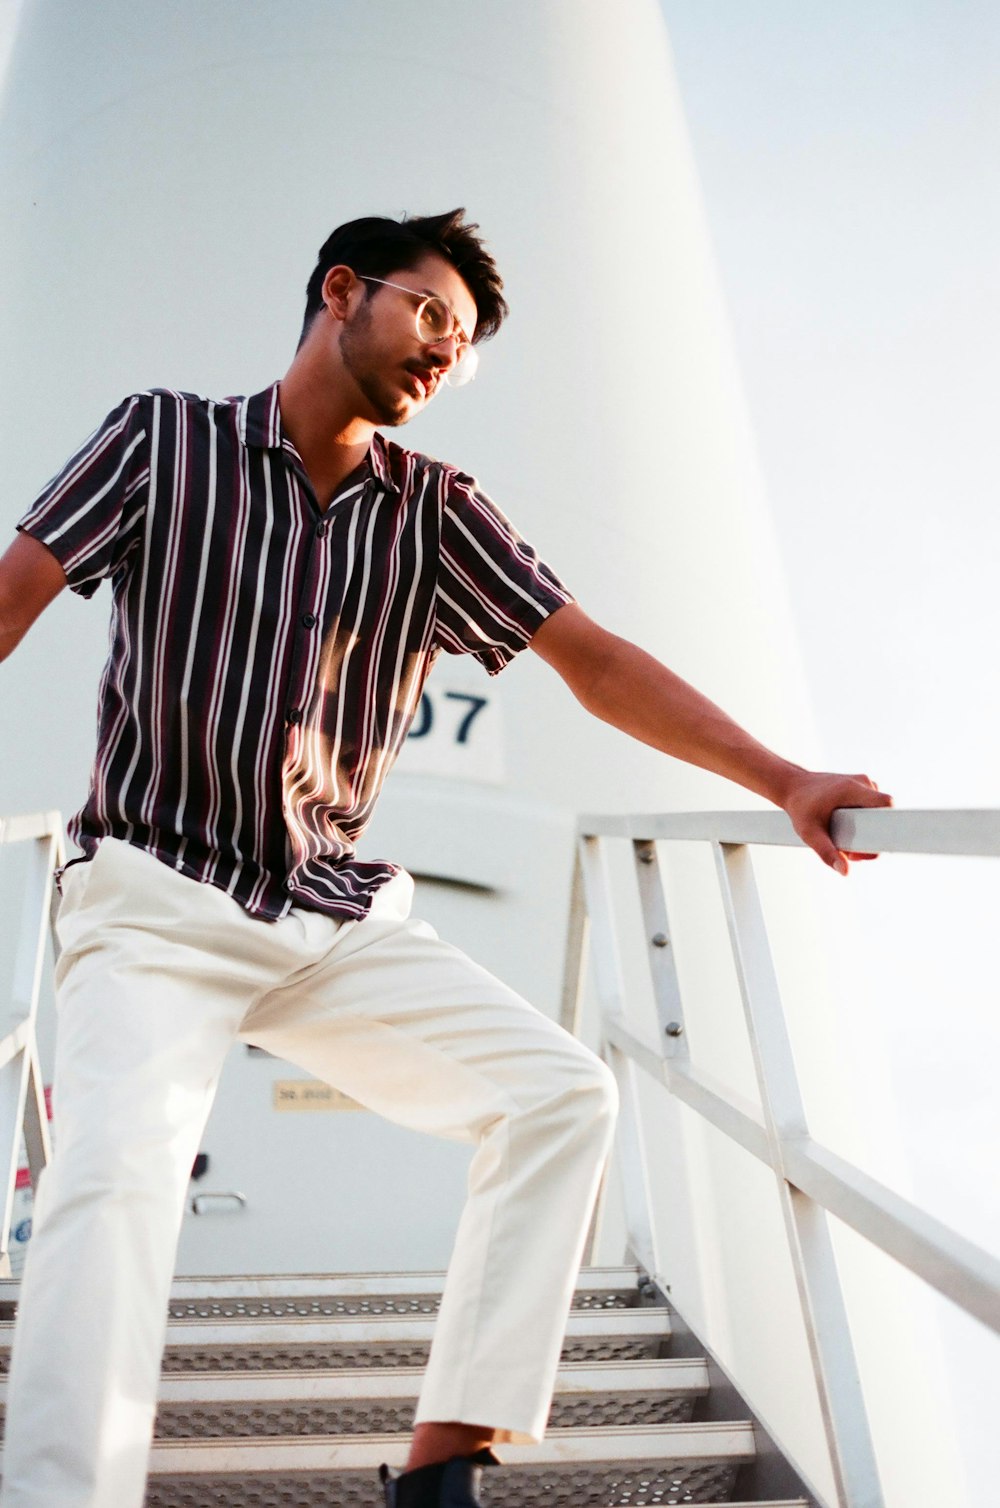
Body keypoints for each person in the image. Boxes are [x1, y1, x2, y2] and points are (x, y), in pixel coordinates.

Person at [0, 208, 891, 1508]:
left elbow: (593, 664)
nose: (446, 355)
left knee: (563, 1093)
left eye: (464, 345)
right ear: (341, 288)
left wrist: (787, 780)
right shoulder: (165, 439)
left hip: (329, 920)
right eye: (430, 315)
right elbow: (14, 594)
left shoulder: (434, 512)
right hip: (151, 902)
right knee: (113, 1184)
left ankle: (440, 1464)